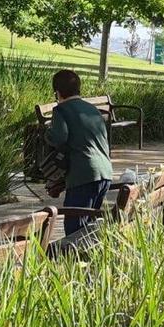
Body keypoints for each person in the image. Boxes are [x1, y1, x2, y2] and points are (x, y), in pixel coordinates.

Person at [46, 69, 113, 236]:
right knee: (89, 227)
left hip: (83, 174)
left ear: (57, 92)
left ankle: (75, 261)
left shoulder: (61, 110)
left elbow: (58, 138)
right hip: (105, 173)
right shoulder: (92, 110)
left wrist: (45, 132)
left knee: (74, 228)